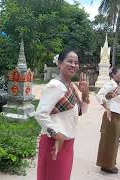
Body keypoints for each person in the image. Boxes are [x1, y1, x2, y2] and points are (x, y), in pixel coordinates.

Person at [35, 49, 90, 180]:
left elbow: (80, 111)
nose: (73, 65)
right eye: (69, 61)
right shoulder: (55, 86)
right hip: (54, 142)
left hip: (67, 141)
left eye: (76, 62)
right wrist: (57, 136)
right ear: (60, 63)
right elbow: (40, 114)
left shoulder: (69, 86)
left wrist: (86, 93)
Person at [96, 67, 120, 174]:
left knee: (113, 141)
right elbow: (99, 96)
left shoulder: (119, 87)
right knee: (109, 141)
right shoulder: (110, 84)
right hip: (111, 115)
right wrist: (106, 107)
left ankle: (109, 163)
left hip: (118, 116)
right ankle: (107, 165)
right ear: (114, 75)